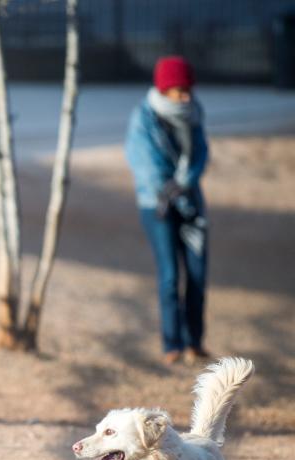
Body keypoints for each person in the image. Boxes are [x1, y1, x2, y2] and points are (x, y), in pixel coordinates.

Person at [125, 55, 211, 366]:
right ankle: (171, 344)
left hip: (191, 204)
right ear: (164, 89)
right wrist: (172, 188)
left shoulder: (194, 113)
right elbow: (144, 165)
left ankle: (195, 342)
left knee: (198, 274)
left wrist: (186, 181)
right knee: (170, 276)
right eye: (179, 91)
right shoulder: (143, 117)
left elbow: (201, 153)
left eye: (188, 90)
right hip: (157, 206)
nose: (186, 97)